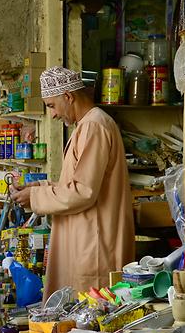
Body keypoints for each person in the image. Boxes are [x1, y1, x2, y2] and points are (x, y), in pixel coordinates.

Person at [10, 66, 133, 298]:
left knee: (90, 320)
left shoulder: (93, 126)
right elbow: (76, 183)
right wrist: (36, 189)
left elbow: (82, 192)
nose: (53, 115)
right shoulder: (87, 125)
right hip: (86, 240)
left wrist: (35, 197)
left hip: (94, 245)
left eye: (52, 106)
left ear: (68, 97)